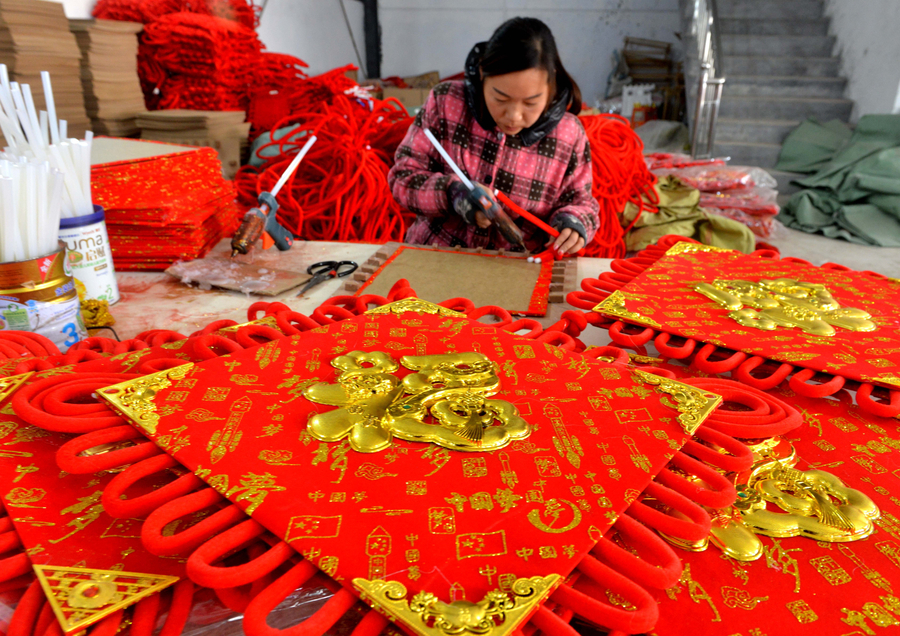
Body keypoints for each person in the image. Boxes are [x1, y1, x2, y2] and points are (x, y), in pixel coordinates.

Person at [388, 17, 600, 255]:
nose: (513, 116)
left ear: (551, 84)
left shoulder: (569, 134)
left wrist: (573, 223)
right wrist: (453, 194)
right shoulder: (446, 102)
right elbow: (402, 178)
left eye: (530, 102)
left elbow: (582, 203)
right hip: (435, 255)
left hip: (519, 270)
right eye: (500, 99)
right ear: (481, 73)